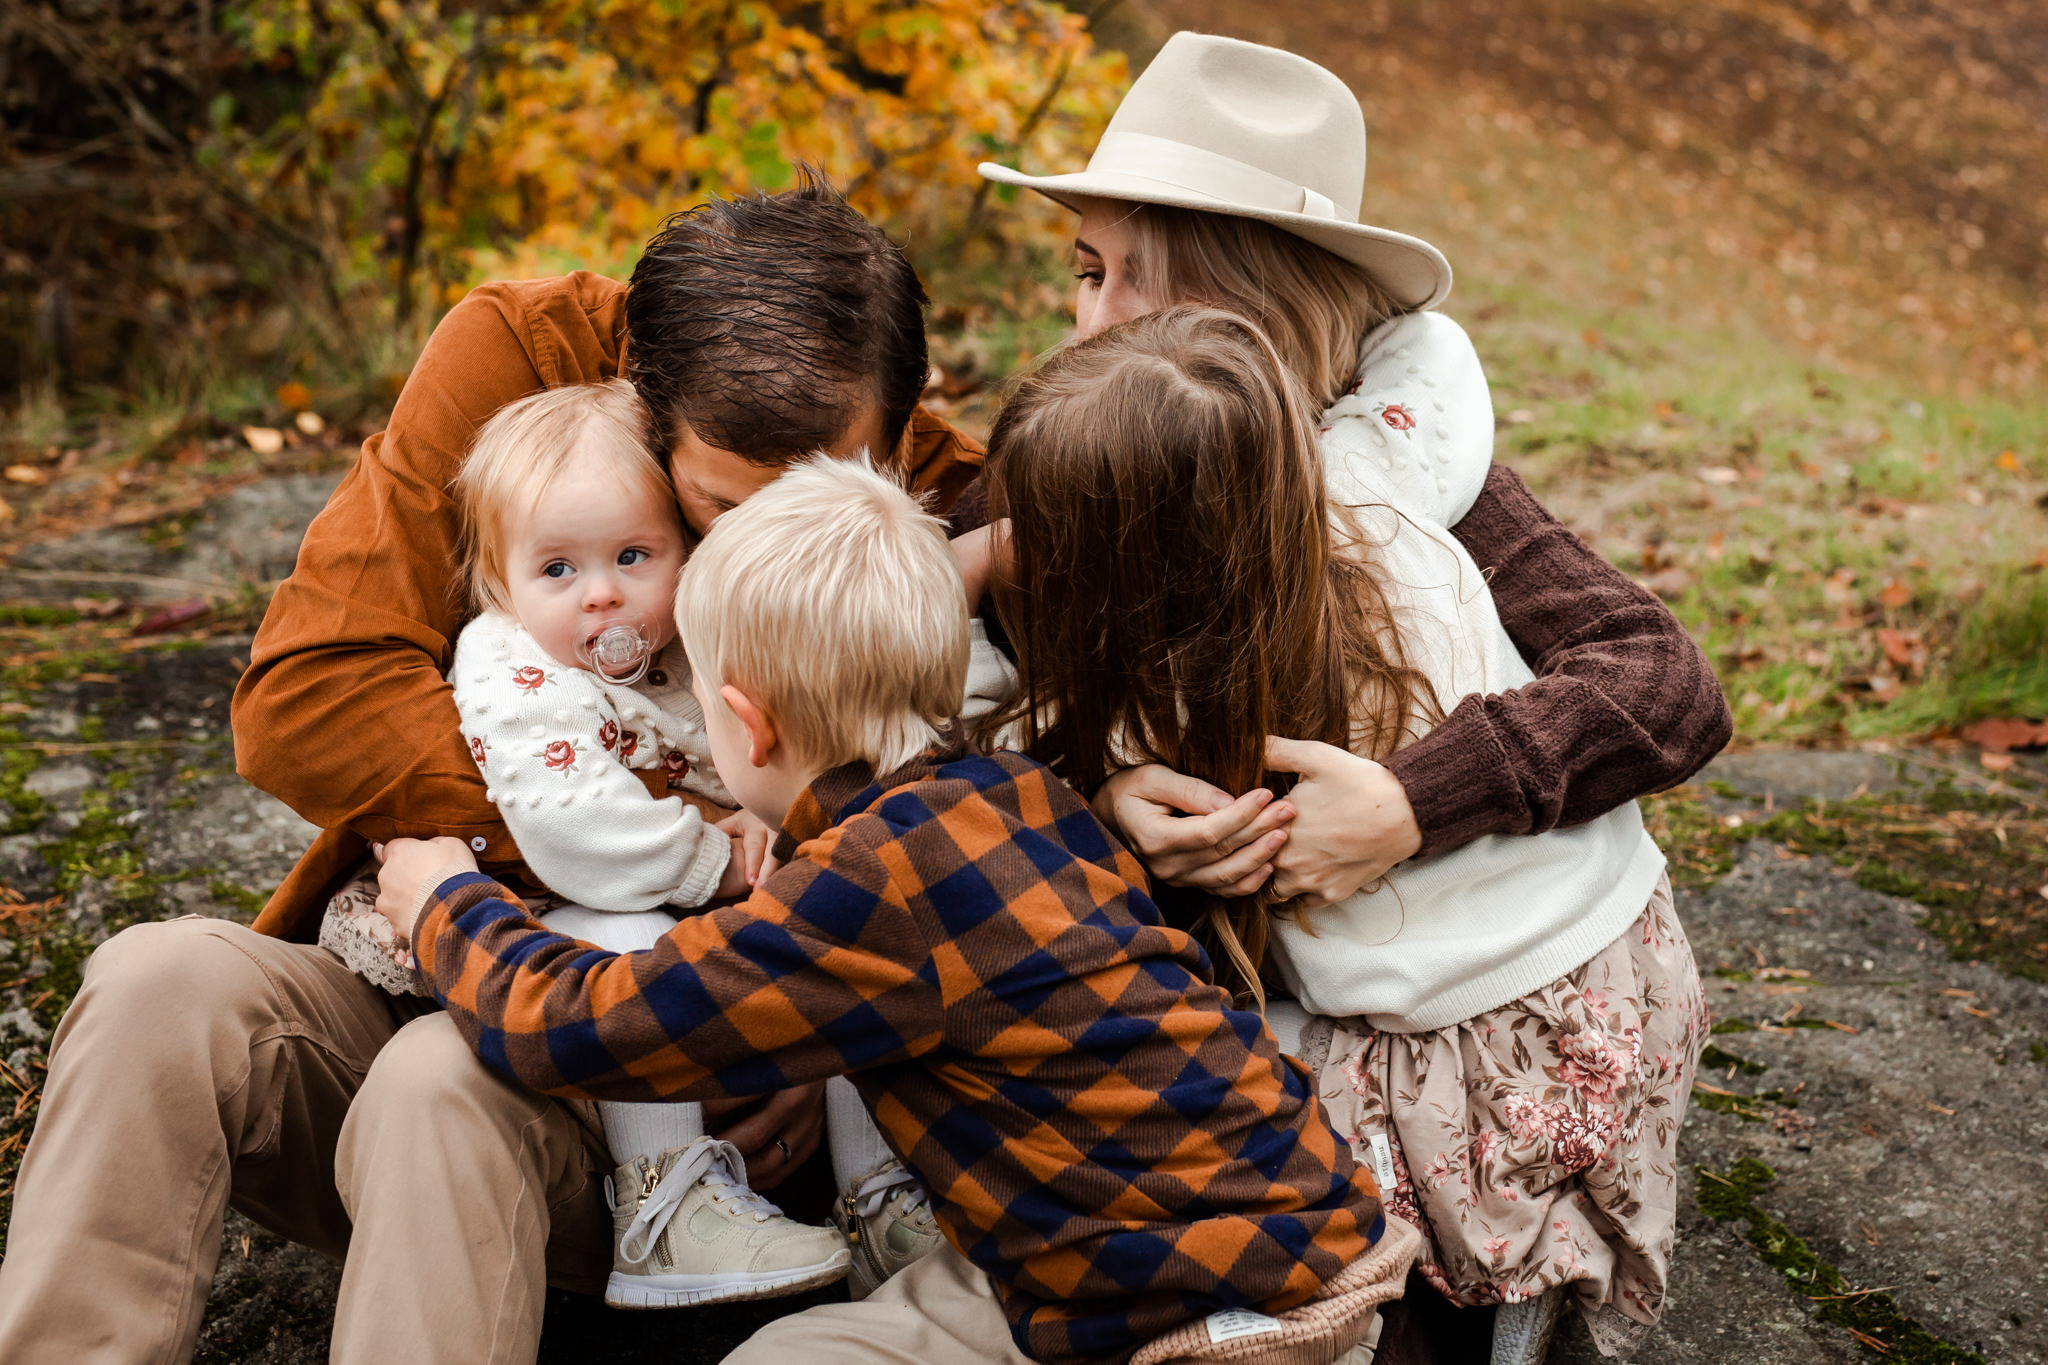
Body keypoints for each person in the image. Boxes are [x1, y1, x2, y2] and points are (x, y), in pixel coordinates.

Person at [0, 178, 979, 1364]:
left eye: (808, 504)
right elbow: (312, 693)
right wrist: (652, 855)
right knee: (155, 980)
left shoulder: (936, 488)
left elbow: (985, 806)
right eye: (720, 512)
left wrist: (746, 995)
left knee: (440, 1079)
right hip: (460, 981)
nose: (758, 558)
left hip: (676, 1128)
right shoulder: (523, 362)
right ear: (639, 409)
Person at [371, 454, 1422, 1365]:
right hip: (1313, 1239)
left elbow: (584, 1024)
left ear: (745, 724)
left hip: (1194, 1324)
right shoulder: (1016, 794)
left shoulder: (866, 890)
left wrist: (445, 903)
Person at [972, 306, 1711, 1360]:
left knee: (1178, 1095)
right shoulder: (1381, 485)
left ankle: (1452, 1277)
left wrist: (1103, 796)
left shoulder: (1192, 712)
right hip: (1623, 982)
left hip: (1464, 1061)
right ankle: (1529, 1254)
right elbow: (1433, 355)